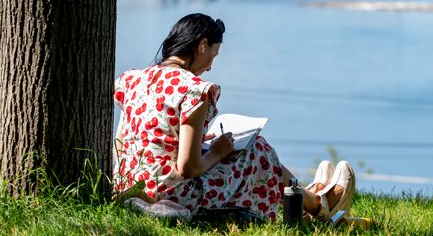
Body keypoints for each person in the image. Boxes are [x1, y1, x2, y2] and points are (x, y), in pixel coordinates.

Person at [112, 13, 354, 221]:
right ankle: (318, 207)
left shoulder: (132, 80)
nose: (210, 67)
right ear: (202, 45)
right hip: (172, 194)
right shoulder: (193, 90)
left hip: (132, 186)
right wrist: (218, 151)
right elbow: (187, 167)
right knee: (257, 149)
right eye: (213, 56)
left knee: (237, 149)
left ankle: (303, 198)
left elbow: (120, 143)